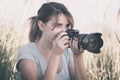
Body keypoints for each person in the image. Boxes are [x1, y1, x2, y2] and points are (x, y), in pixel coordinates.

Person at [16, 2, 87, 80]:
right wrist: (56, 54)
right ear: (41, 26)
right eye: (58, 25)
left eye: (67, 26)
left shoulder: (67, 52)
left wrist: (78, 56)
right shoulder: (27, 52)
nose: (64, 31)